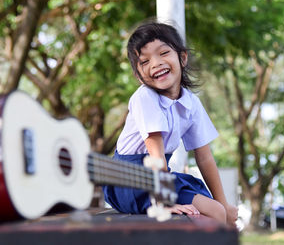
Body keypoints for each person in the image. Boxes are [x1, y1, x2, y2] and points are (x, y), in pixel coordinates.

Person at [102, 21, 238, 226]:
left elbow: (205, 157)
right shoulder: (145, 98)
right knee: (211, 214)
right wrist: (163, 204)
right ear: (139, 76)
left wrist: (224, 204)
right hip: (128, 181)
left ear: (182, 58)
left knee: (218, 212)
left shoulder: (191, 102)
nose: (155, 63)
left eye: (163, 53)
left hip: (159, 178)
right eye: (145, 61)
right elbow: (156, 156)